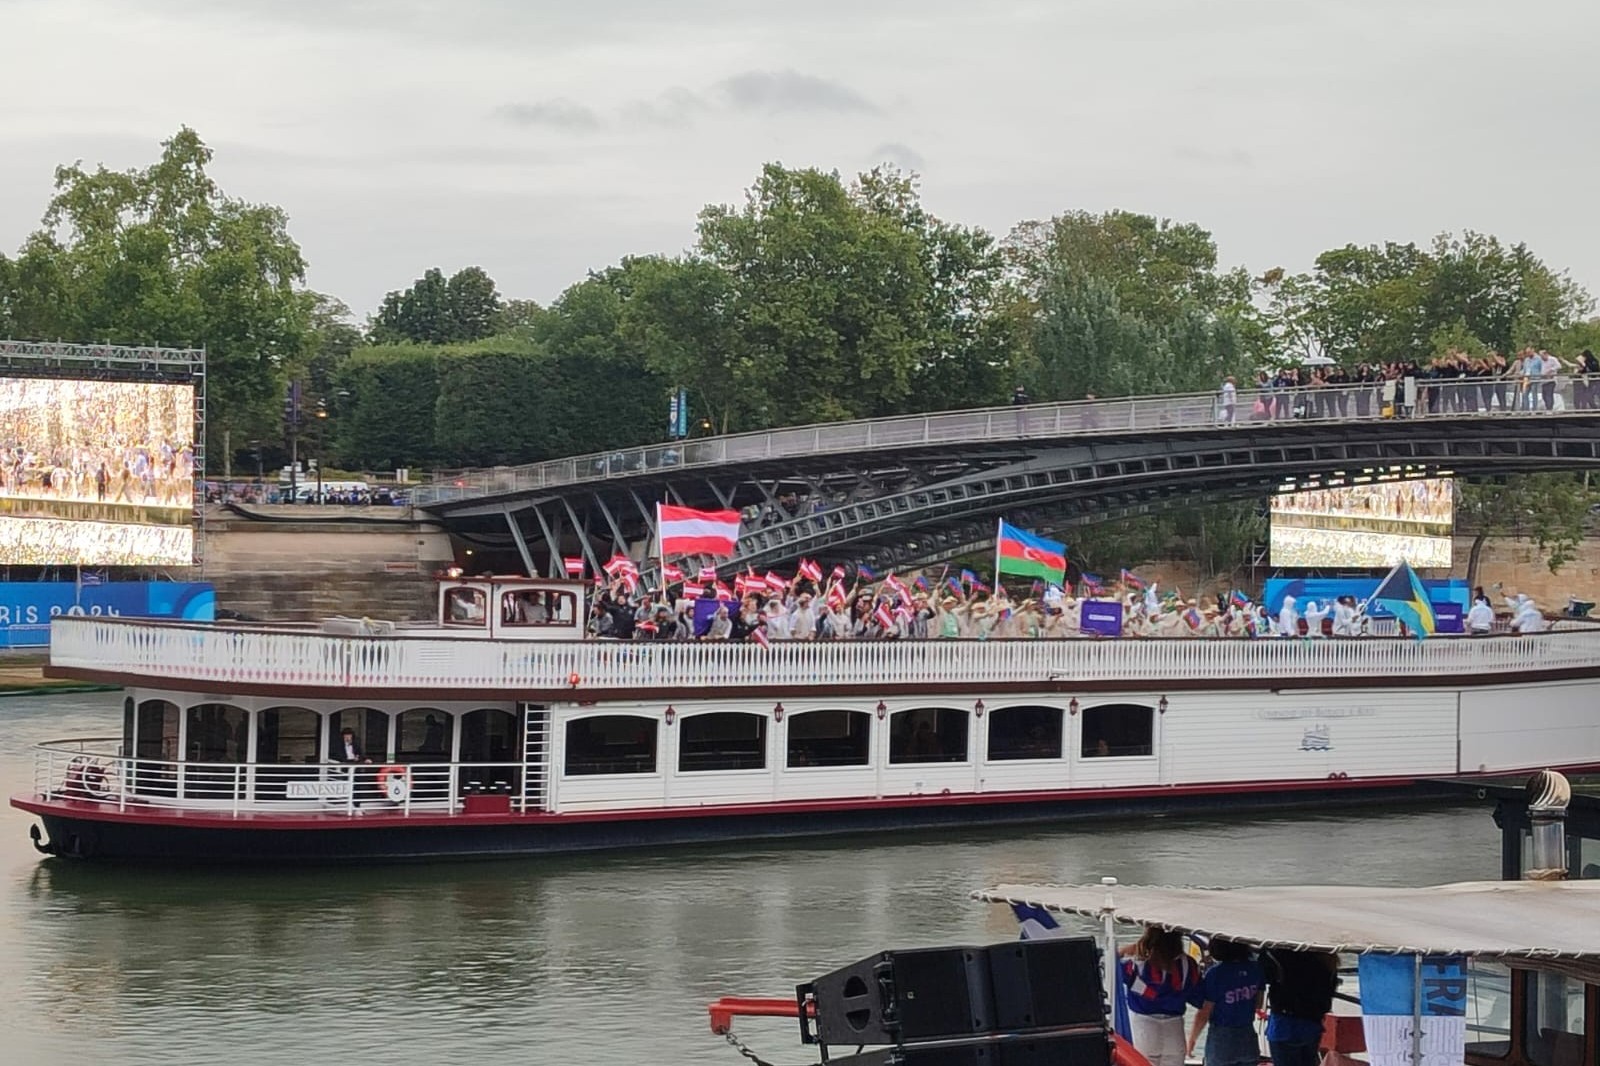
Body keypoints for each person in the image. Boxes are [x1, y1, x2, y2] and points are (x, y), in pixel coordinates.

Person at [1120, 926, 1200, 1066]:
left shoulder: (1137, 965)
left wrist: (1124, 951)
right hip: (1174, 1028)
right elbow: (1198, 998)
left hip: (1143, 1028)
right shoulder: (1188, 965)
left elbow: (1108, 966)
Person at [1188, 938, 1264, 1066]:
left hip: (1222, 1039)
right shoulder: (1256, 969)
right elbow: (1258, 1004)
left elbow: (1204, 1012)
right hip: (1248, 1037)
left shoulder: (1215, 973)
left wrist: (1192, 1039)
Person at [1263, 949, 1338, 1066]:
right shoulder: (1326, 961)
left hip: (1285, 1024)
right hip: (1312, 1023)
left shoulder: (1282, 955)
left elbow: (1265, 974)